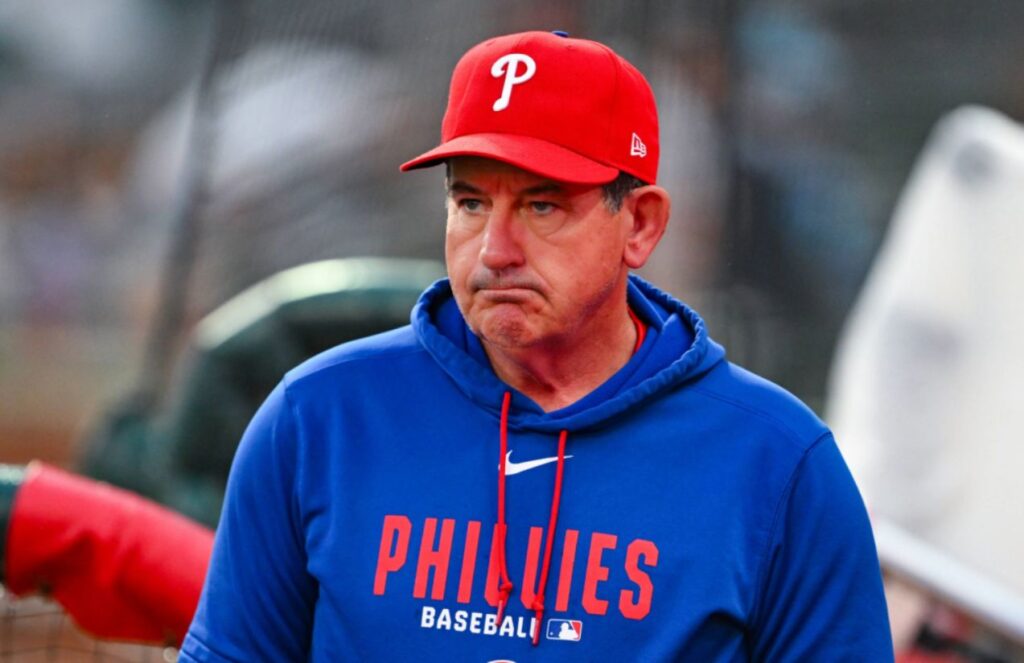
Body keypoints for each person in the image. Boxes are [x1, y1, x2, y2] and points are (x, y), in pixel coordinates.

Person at [181, 31, 892, 661]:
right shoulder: (316, 419)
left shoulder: (778, 463)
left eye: (542, 205)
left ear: (640, 225)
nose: (495, 250)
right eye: (471, 203)